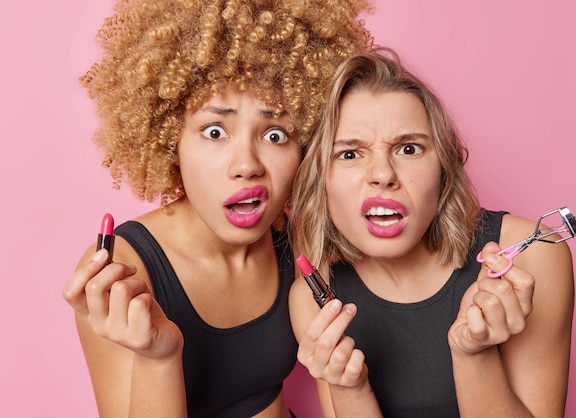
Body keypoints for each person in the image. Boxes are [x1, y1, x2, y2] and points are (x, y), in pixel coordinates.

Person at [62, 1, 373, 417]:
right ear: (171, 139)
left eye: (276, 134)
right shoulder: (123, 273)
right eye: (214, 131)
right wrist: (159, 357)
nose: (247, 164)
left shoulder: (295, 243)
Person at [288, 47, 574, 417]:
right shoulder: (314, 297)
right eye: (349, 154)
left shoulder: (532, 256)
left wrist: (472, 353)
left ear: (443, 168)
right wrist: (350, 388)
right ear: (319, 180)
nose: (383, 174)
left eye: (408, 148)